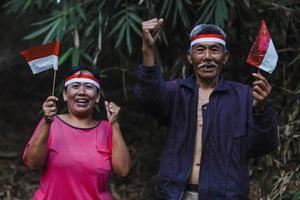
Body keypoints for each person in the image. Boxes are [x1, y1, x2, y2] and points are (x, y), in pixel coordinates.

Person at [135, 18, 278, 199]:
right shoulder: (177, 92)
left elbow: (262, 146)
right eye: (200, 50)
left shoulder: (245, 96)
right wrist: (147, 49)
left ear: (225, 57)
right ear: (190, 57)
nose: (207, 57)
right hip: (177, 194)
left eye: (215, 50)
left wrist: (261, 111)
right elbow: (148, 98)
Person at [23, 66, 131, 200]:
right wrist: (46, 123)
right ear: (64, 95)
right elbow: (33, 163)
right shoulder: (51, 123)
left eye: (88, 87)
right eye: (75, 86)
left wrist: (115, 124)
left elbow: (123, 170)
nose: (82, 92)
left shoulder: (107, 128)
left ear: (97, 97)